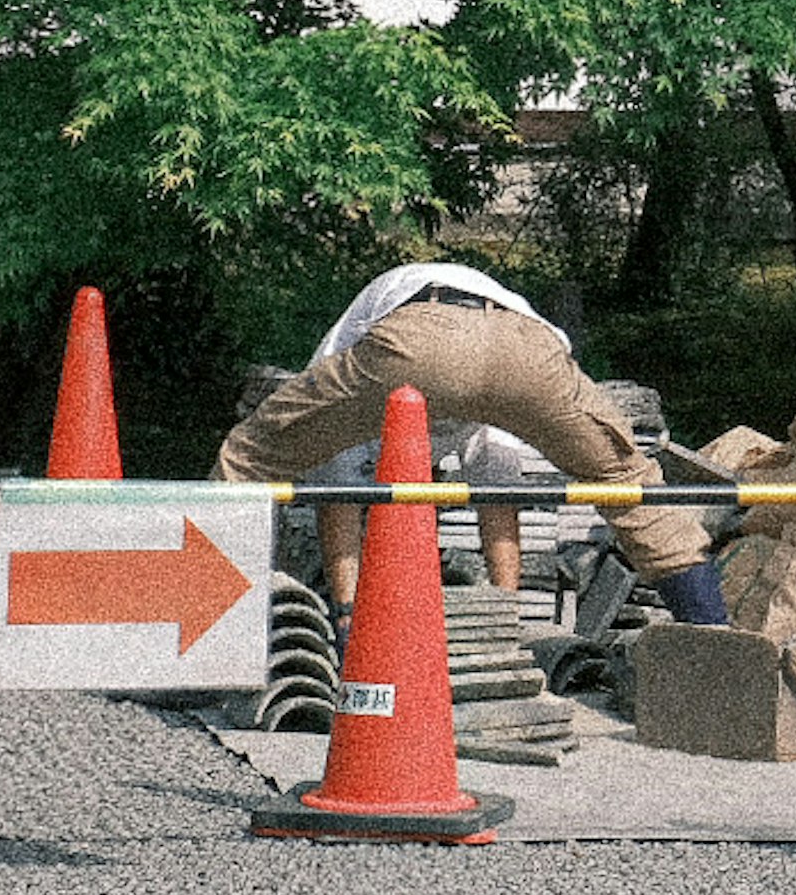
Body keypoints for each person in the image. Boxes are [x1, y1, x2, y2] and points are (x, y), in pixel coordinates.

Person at [215, 263, 730, 626]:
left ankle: (197, 615)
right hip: (527, 348)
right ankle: (711, 635)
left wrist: (349, 612)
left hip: (421, 333)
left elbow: (335, 484)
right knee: (627, 482)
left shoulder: (349, 337)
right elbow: (498, 488)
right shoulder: (500, 342)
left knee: (252, 454)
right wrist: (505, 615)